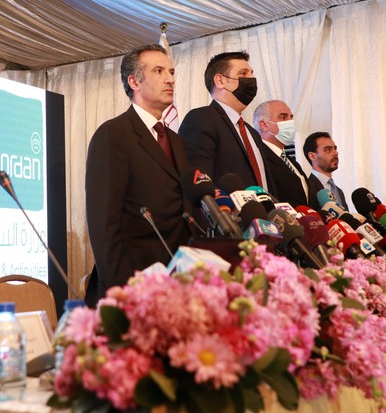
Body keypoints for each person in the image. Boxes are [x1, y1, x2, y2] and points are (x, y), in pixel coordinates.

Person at [84, 45, 191, 307]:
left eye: (171, 72)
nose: (170, 79)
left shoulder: (176, 141)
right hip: (133, 285)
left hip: (177, 284)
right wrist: (122, 290)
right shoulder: (114, 134)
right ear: (134, 82)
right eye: (159, 71)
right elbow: (103, 223)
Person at [179, 51, 270, 191]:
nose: (251, 79)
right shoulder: (201, 119)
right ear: (220, 81)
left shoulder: (252, 133)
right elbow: (199, 184)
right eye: (243, 73)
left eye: (252, 73)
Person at [253, 100, 309, 207]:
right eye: (283, 117)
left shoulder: (291, 162)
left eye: (291, 117)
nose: (290, 122)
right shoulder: (258, 157)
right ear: (264, 125)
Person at [303, 131, 349, 212]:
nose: (336, 153)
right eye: (328, 150)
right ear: (312, 156)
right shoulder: (306, 188)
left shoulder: (338, 191)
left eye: (335, 149)